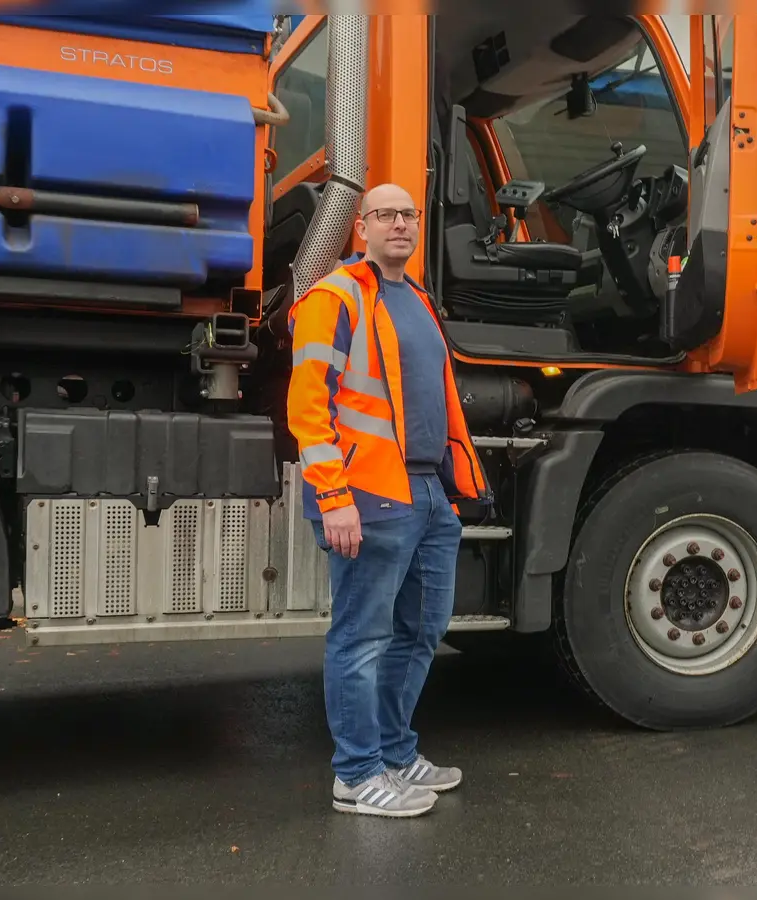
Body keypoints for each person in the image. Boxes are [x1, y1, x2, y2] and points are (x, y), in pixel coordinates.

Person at [285, 183, 492, 818]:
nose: (399, 223)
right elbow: (307, 406)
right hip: (370, 492)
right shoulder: (336, 296)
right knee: (362, 636)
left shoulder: (420, 302)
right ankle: (356, 774)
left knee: (421, 630)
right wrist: (334, 496)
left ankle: (397, 755)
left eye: (408, 214)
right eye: (384, 214)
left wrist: (454, 491)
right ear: (361, 228)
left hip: (428, 491)